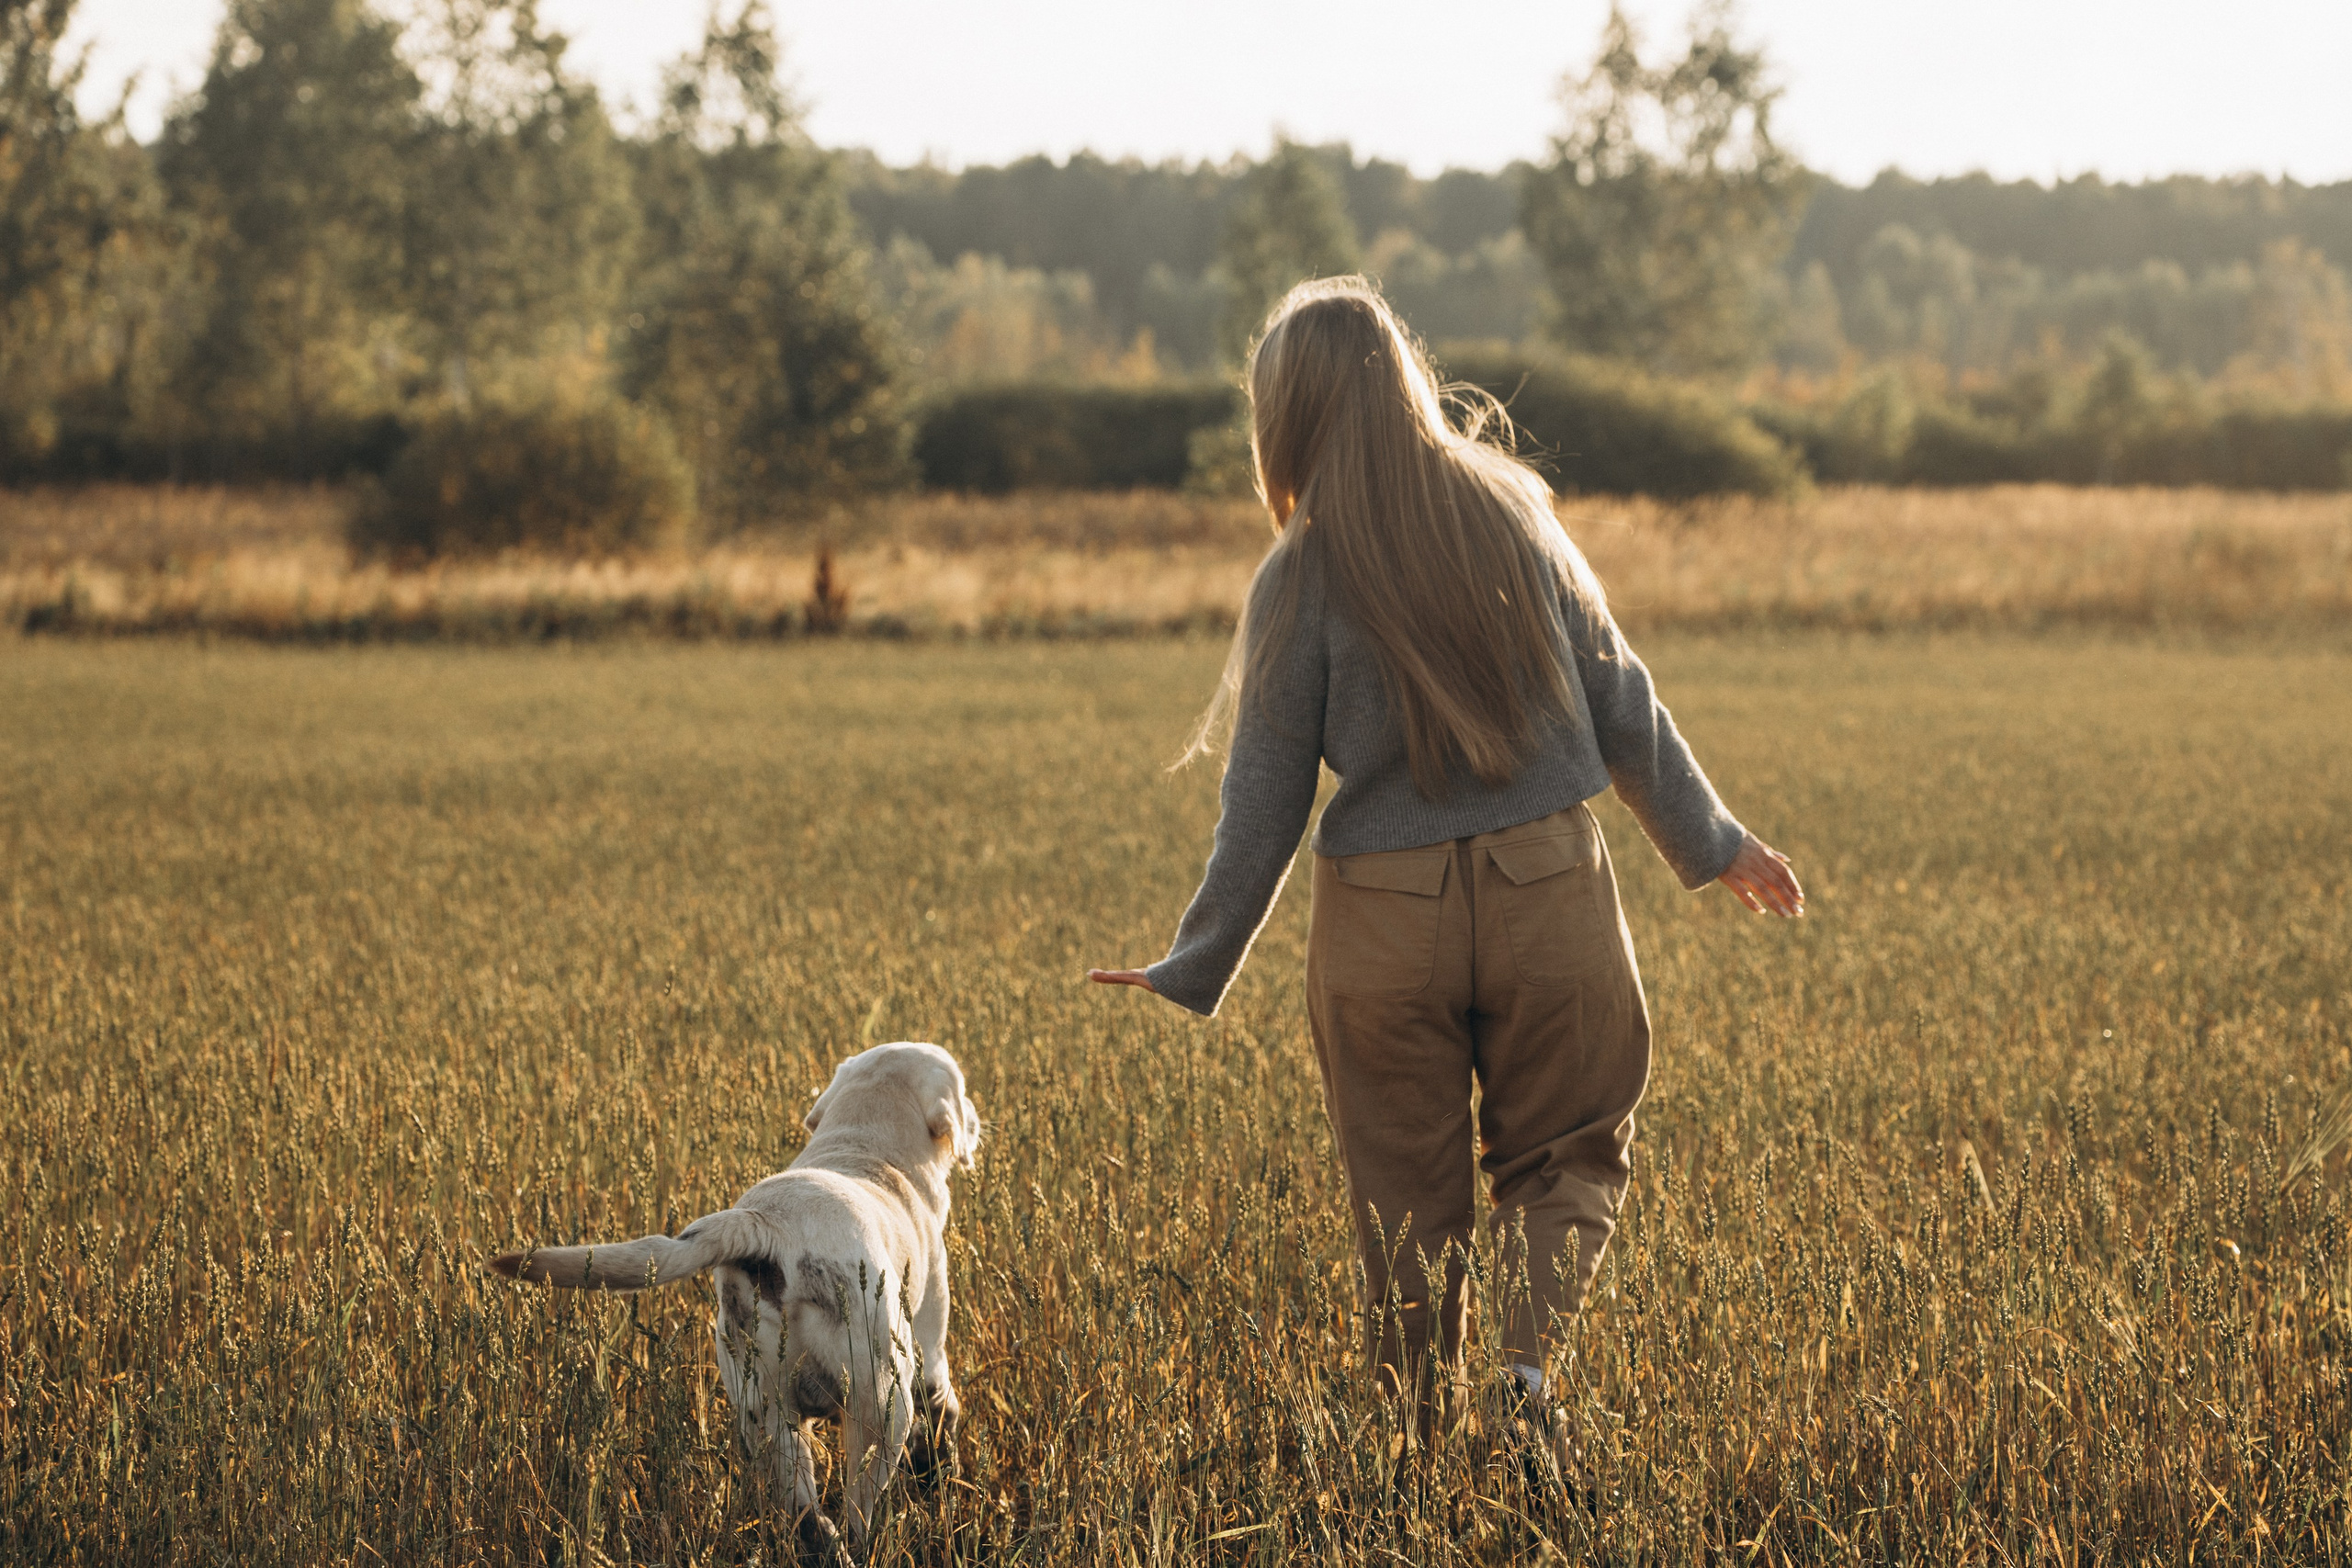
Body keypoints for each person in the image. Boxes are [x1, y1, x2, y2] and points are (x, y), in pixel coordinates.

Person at [1089, 276, 1804, 1467]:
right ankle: (1524, 1382)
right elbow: (1622, 701)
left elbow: (1261, 802)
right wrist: (1717, 843)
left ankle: (1417, 1449)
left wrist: (1196, 961)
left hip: (1382, 919)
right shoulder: (1513, 510)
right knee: (1570, 1151)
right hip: (1546, 892)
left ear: (1286, 417)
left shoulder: (1299, 576)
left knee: (1404, 1207)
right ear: (1407, 379)